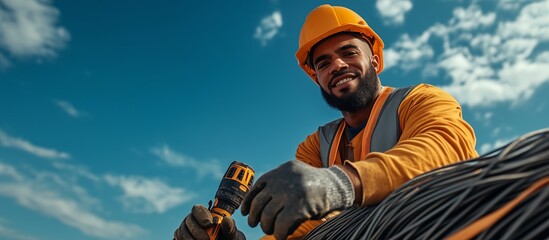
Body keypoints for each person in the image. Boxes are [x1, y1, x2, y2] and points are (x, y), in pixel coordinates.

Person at [174, 4, 478, 240]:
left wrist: (340, 183)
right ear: (316, 77)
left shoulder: (420, 100)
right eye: (324, 63)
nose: (338, 65)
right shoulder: (316, 147)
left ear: (373, 59)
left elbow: (446, 150)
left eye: (348, 53)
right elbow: (303, 230)